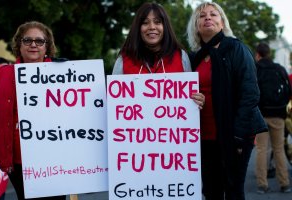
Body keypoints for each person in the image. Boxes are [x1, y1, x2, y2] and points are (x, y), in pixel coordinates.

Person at [187, 2, 267, 200]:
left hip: (233, 136)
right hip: (204, 137)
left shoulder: (237, 49)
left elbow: (250, 94)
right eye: (202, 15)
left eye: (214, 14)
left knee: (233, 191)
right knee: (211, 192)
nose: (207, 17)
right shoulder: (194, 58)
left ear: (222, 23)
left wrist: (239, 136)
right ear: (196, 26)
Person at [0, 21, 66, 200]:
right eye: (27, 40)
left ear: (47, 46)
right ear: (19, 44)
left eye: (39, 41)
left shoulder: (64, 74)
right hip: (18, 161)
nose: (33, 44)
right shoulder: (3, 75)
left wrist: (68, 74)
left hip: (55, 159)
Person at [112, 2, 205, 107]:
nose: (152, 27)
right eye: (145, 23)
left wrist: (198, 100)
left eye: (157, 22)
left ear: (165, 27)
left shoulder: (181, 56)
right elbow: (113, 103)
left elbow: (191, 97)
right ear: (138, 28)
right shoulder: (123, 60)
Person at [254, 42, 291, 194]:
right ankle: (284, 184)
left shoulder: (255, 69)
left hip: (260, 115)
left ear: (258, 54)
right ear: (269, 53)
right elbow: (288, 91)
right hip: (278, 115)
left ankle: (262, 185)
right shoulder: (280, 69)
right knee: (279, 149)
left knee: (262, 149)